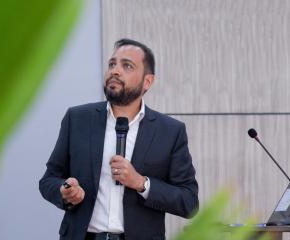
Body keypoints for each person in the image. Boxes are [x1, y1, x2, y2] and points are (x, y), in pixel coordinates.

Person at [39, 38, 199, 240]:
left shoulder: (169, 131)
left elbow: (189, 201)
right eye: (112, 64)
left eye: (127, 66)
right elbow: (48, 180)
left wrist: (141, 183)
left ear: (147, 82)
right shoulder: (77, 119)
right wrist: (65, 191)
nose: (115, 71)